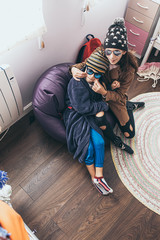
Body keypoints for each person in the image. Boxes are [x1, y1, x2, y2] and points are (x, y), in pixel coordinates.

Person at [63, 50, 133, 195]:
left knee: (100, 142)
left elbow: (101, 94)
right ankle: (95, 178)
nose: (91, 76)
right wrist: (102, 106)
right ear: (85, 68)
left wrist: (110, 87)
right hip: (77, 115)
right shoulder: (76, 83)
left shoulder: (97, 81)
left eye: (97, 74)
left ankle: (99, 176)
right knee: (88, 148)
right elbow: (81, 107)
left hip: (89, 113)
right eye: (89, 71)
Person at [71, 17, 145, 142]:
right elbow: (85, 64)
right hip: (97, 94)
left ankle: (128, 106)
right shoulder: (100, 52)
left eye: (117, 52)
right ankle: (127, 105)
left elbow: (120, 95)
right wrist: (73, 69)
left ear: (123, 52)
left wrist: (105, 93)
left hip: (113, 97)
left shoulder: (129, 70)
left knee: (129, 134)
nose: (111, 57)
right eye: (108, 52)